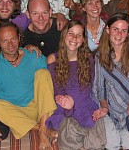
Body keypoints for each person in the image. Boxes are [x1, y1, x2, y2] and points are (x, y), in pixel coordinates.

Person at [0, 21, 57, 149]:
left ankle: (42, 131)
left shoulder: (34, 55)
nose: (10, 45)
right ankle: (43, 129)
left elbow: (55, 70)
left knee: (43, 74)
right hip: (16, 113)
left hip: (39, 108)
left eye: (13, 39)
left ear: (19, 38)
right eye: (4, 41)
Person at [45, 20, 106, 149]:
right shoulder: (53, 58)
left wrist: (102, 107)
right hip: (65, 110)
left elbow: (95, 88)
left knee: (97, 143)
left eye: (79, 35)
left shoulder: (90, 59)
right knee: (70, 131)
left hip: (87, 109)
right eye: (71, 33)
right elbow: (58, 92)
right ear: (64, 36)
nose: (74, 38)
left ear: (83, 39)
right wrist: (69, 108)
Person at [94, 13, 129, 149]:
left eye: (124, 31)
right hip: (109, 107)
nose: (119, 34)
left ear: (128, 33)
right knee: (111, 144)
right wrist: (104, 107)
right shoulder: (100, 55)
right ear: (108, 30)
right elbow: (100, 87)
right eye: (115, 29)